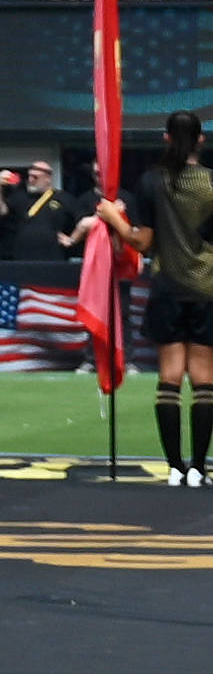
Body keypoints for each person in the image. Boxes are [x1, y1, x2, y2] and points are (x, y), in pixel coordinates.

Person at [88, 107, 213, 484]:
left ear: (166, 139)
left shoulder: (151, 182)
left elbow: (141, 241)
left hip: (167, 288)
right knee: (205, 380)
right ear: (201, 140)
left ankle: (174, 467)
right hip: (208, 290)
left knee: (170, 377)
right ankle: (199, 469)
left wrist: (113, 218)